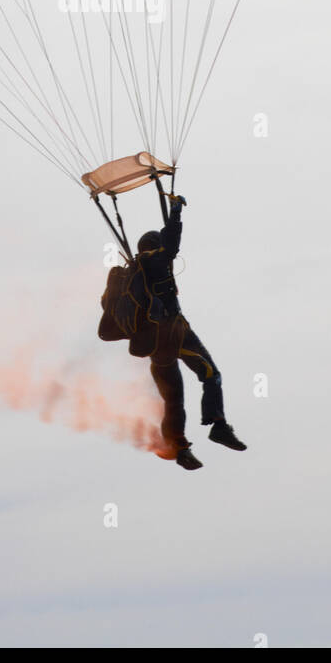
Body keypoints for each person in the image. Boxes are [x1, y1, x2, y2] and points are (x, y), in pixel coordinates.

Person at [98, 193, 247, 470]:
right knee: (211, 375)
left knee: (173, 400)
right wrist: (175, 212)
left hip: (155, 346)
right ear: (153, 247)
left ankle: (178, 449)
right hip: (174, 333)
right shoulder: (155, 261)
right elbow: (171, 246)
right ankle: (218, 425)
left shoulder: (134, 272)